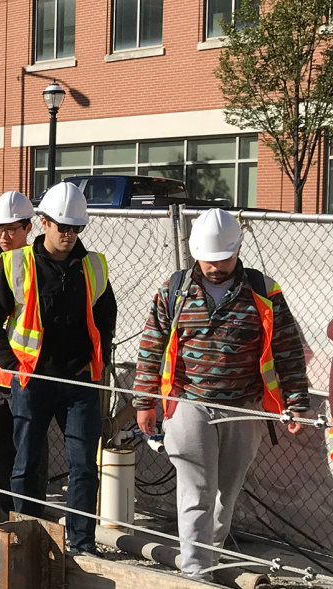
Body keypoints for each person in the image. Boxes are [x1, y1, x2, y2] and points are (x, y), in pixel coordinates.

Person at [133, 208, 310, 580]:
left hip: (242, 406)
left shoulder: (264, 291)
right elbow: (151, 347)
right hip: (188, 402)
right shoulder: (174, 290)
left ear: (237, 250)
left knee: (224, 494)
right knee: (196, 490)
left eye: (223, 258)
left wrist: (296, 400)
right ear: (197, 252)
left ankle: (210, 559)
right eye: (208, 259)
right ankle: (196, 573)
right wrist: (144, 402)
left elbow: (287, 347)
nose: (215, 266)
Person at [0, 182, 117, 557]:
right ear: (43, 223)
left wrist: (94, 360)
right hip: (33, 380)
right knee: (26, 463)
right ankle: (26, 537)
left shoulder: (94, 266)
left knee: (84, 464)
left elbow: (106, 318)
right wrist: (11, 365)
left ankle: (82, 543)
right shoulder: (16, 264)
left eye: (75, 228)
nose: (69, 235)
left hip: (80, 382)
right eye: (62, 227)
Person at [0, 190, 45, 514]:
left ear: (28, 228)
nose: (3, 236)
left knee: (29, 447)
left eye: (11, 229)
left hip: (23, 371)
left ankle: (30, 510)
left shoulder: (36, 267)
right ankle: (5, 504)